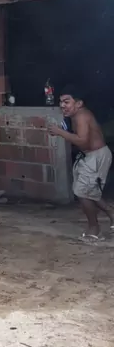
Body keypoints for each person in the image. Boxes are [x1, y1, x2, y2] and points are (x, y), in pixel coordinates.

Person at [48, 86, 113, 243]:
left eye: (66, 102)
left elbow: (82, 141)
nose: (62, 105)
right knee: (89, 191)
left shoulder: (81, 116)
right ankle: (112, 214)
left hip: (96, 157)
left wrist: (60, 132)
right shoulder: (76, 115)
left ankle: (94, 230)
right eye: (60, 102)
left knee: (83, 192)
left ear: (79, 103)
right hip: (89, 156)